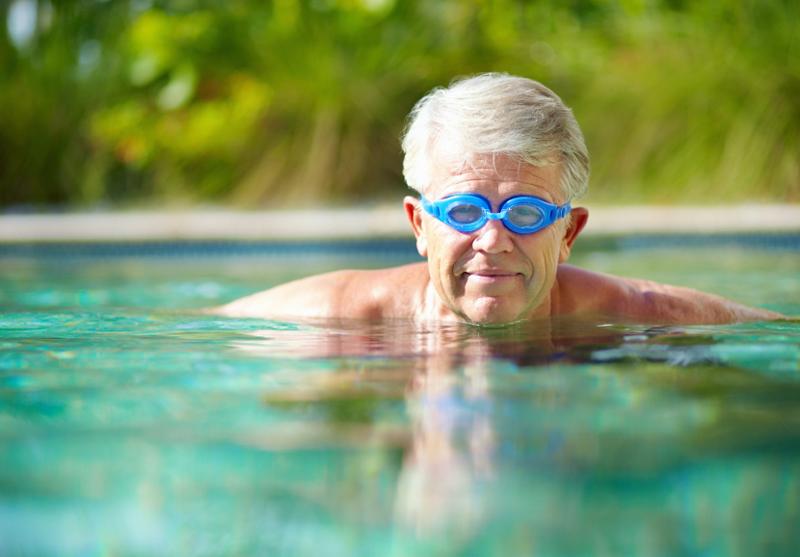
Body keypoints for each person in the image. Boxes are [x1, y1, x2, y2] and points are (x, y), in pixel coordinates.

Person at [216, 73, 782, 326]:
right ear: (419, 224)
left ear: (568, 234)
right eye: (463, 211)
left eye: (525, 213)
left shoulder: (645, 319)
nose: (492, 239)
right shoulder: (328, 321)